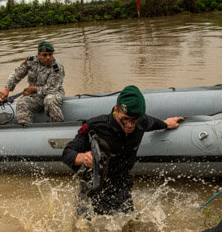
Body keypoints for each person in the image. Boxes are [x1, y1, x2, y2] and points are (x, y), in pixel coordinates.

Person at [62, 85, 183, 215]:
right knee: (85, 231)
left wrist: (166, 124)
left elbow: (152, 122)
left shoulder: (142, 121)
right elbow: (67, 153)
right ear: (116, 110)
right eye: (125, 119)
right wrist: (82, 158)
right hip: (94, 187)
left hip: (121, 186)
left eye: (133, 120)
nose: (130, 124)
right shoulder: (94, 127)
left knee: (129, 229)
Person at [0, 41, 65, 123]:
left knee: (49, 101)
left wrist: (33, 89)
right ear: (38, 54)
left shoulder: (57, 67)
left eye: (50, 54)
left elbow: (52, 89)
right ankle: (27, 129)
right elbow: (17, 74)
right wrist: (7, 89)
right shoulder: (31, 61)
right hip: (36, 96)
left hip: (54, 93)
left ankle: (59, 126)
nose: (48, 57)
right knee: (22, 103)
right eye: (45, 55)